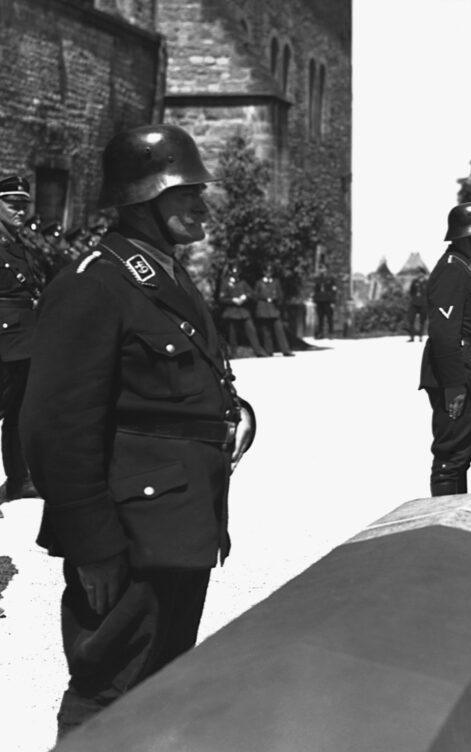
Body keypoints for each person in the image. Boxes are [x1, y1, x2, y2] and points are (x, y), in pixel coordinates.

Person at [20, 123, 256, 736]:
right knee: (110, 690)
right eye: (188, 194)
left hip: (178, 524)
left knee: (164, 687)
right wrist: (92, 543)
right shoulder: (94, 284)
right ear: (144, 198)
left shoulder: (161, 276)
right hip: (127, 535)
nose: (203, 206)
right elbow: (54, 428)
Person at [419, 202, 471, 496]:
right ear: (466, 235)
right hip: (459, 374)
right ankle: (443, 525)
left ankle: (456, 515)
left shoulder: (469, 266)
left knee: (464, 454)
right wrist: (454, 385)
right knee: (451, 456)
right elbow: (444, 332)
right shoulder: (452, 270)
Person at [0, 175, 45, 502]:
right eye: (12, 205)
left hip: (23, 337)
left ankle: (18, 478)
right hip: (4, 339)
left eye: (22, 206)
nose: (19, 212)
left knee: (18, 413)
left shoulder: (18, 241)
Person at [219, 263, 267, 357]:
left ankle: (258, 351)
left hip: (243, 311)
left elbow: (252, 293)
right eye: (234, 273)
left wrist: (245, 296)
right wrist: (233, 300)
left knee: (251, 330)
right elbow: (221, 298)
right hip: (231, 311)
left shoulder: (243, 282)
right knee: (232, 334)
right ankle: (233, 353)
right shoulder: (225, 283)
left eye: (237, 273)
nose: (236, 275)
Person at [254, 265, 294, 356]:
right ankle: (268, 350)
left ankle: (285, 350)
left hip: (273, 309)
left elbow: (281, 296)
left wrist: (275, 299)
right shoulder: (259, 283)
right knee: (266, 331)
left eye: (270, 272)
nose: (268, 274)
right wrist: (265, 297)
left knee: (279, 330)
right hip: (263, 309)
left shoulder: (276, 282)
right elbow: (255, 296)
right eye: (266, 272)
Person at [312, 270, 339, 339]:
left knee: (329, 317)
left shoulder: (330, 279)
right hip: (319, 301)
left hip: (328, 300)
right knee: (320, 318)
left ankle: (331, 333)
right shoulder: (318, 279)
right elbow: (315, 289)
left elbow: (334, 290)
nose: (322, 271)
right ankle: (320, 333)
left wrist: (333, 301)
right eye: (320, 269)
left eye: (323, 269)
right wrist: (314, 300)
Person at [406, 270, 427, 342]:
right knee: (411, 319)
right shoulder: (414, 281)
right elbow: (411, 291)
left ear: (424, 274)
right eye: (418, 273)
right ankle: (412, 337)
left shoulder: (427, 283)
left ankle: (420, 336)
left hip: (424, 304)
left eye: (421, 273)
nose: (420, 274)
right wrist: (414, 298)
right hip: (414, 303)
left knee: (422, 320)